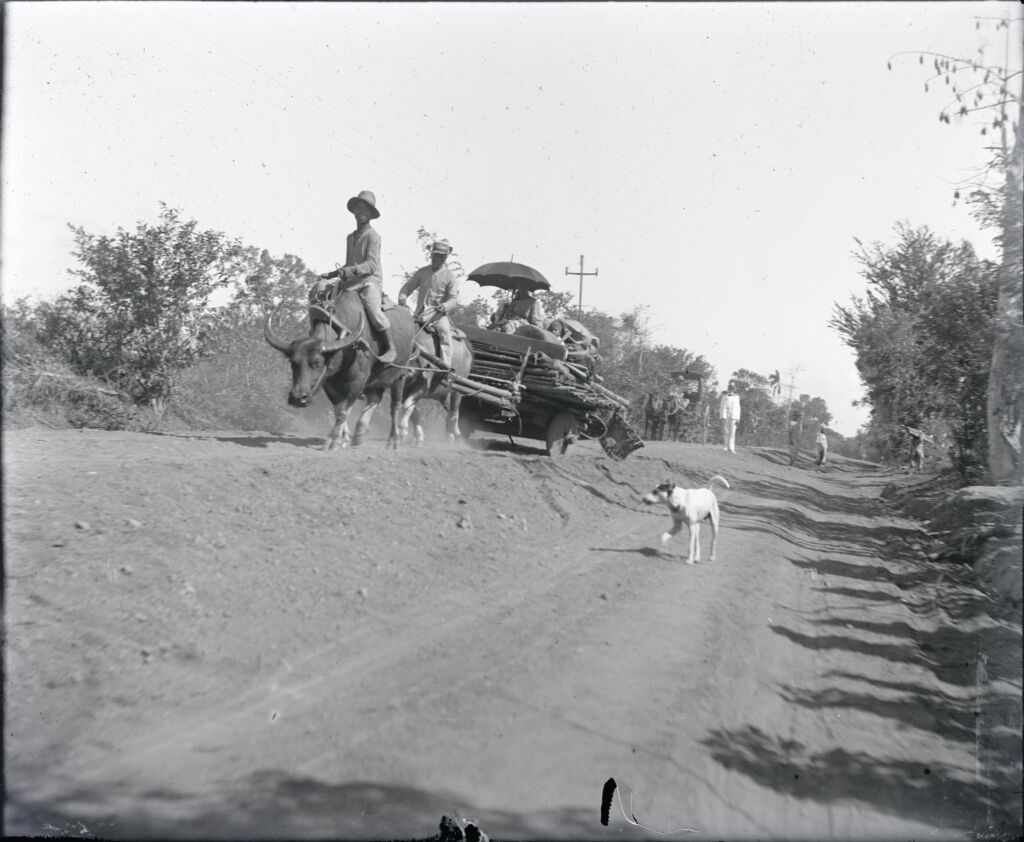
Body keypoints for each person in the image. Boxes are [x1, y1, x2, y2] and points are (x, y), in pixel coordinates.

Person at [314, 190, 396, 364]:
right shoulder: (350, 237)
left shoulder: (373, 236)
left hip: (369, 281)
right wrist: (332, 274)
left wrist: (349, 272)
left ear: (371, 215)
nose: (361, 213)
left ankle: (390, 347)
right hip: (350, 282)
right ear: (354, 212)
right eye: (358, 209)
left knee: (374, 311)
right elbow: (348, 264)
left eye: (365, 210)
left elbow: (371, 265)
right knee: (323, 299)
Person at [398, 241, 460, 369]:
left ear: (445, 258)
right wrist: (403, 297)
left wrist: (444, 306)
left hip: (438, 316)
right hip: (420, 314)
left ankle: (445, 367)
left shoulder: (450, 276)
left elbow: (453, 299)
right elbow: (408, 287)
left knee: (444, 333)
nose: (437, 259)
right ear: (431, 256)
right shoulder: (422, 272)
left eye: (440, 256)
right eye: (435, 255)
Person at [719, 383, 741, 453]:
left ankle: (731, 448)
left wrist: (738, 418)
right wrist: (722, 416)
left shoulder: (737, 397)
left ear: (734, 389)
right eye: (730, 388)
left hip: (734, 416)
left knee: (732, 432)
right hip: (726, 415)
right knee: (726, 431)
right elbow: (722, 407)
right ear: (728, 388)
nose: (731, 389)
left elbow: (738, 408)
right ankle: (725, 446)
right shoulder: (724, 396)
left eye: (732, 388)